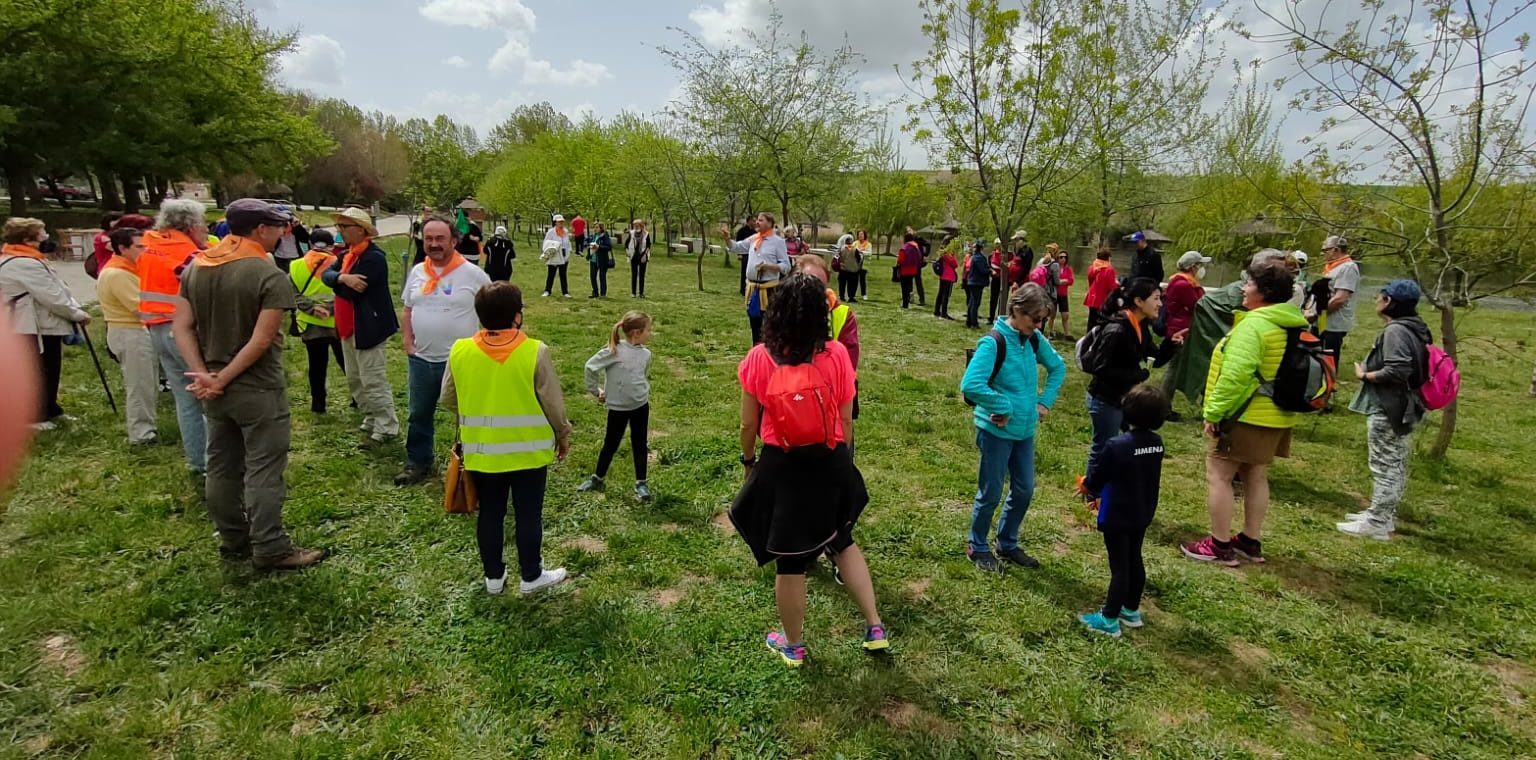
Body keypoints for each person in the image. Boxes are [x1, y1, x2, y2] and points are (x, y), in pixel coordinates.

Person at [728, 272, 887, 667]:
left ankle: (793, 645)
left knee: (790, 559)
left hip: (783, 465)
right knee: (843, 540)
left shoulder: (759, 357)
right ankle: (874, 627)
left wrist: (748, 461)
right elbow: (846, 419)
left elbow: (748, 423)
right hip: (830, 457)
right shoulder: (837, 356)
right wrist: (842, 464)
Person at [171, 198, 326, 571]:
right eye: (277, 227)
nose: (281, 233)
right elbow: (261, 340)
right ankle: (270, 546)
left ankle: (233, 538)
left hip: (213, 386)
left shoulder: (197, 267)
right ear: (260, 229)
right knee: (263, 468)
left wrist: (204, 375)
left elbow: (181, 327)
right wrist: (222, 377)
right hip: (256, 387)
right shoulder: (266, 274)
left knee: (221, 465)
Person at [441, 282, 571, 595]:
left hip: (482, 451)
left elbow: (447, 397)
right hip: (529, 452)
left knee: (490, 513)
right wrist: (562, 433)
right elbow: (553, 403)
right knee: (528, 514)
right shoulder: (535, 351)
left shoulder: (460, 350)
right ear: (517, 316)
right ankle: (531, 576)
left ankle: (493, 578)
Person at [1181, 260, 1306, 566]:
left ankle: (1219, 544)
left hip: (1245, 415)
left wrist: (1213, 413)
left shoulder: (1255, 325)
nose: (1243, 289)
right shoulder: (1292, 323)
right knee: (1256, 474)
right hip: (1276, 415)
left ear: (1263, 292)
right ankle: (1250, 540)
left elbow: (1236, 376)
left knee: (1219, 475)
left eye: (1249, 284)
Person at [960, 283, 1067, 572]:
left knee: (1024, 489)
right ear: (1017, 311)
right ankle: (977, 546)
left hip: (1024, 431)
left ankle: (1006, 543)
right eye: (1035, 319)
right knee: (991, 492)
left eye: (1043, 320)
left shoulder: (1033, 339)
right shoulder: (994, 343)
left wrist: (1045, 402)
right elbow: (970, 385)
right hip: (995, 433)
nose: (1039, 325)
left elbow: (1058, 367)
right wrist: (1003, 406)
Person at [398, 216, 492, 486]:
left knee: (469, 416)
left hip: (462, 360)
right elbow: (408, 309)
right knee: (418, 413)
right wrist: (408, 342)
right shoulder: (418, 271)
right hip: (421, 359)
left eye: (440, 238)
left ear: (454, 241)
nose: (434, 244)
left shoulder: (472, 274)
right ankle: (419, 462)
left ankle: (471, 466)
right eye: (428, 238)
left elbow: (495, 309)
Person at [1337, 280, 1432, 540]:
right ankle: (1382, 515)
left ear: (1389, 301)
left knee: (1384, 465)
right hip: (1403, 405)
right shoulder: (1415, 327)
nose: (1376, 300)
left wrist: (1365, 375)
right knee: (1394, 463)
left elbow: (1397, 369)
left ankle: (1377, 523)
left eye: (1380, 296)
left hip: (1389, 407)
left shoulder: (1396, 331)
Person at [1076, 384, 1167, 638]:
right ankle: (1131, 609)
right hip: (1142, 510)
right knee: (1135, 558)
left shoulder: (1117, 445)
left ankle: (1109, 619)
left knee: (1119, 568)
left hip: (1117, 514)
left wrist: (1086, 486)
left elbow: (1098, 477)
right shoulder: (1157, 444)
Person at [139, 200, 211, 472]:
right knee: (208, 394)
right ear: (190, 225)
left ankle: (197, 460)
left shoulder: (149, 246)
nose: (205, 229)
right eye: (202, 224)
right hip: (183, 330)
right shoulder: (186, 254)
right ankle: (215, 461)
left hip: (155, 328)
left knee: (185, 398)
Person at [1, 217, 91, 430]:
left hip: (38, 322)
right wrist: (77, 314)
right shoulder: (24, 263)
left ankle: (50, 408)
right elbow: (51, 296)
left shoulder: (26, 258)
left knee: (50, 367)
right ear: (27, 239)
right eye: (42, 234)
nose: (47, 238)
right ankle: (34, 416)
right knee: (40, 370)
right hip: (31, 324)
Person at [324, 207, 400, 443]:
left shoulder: (373, 258)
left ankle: (386, 425)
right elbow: (326, 275)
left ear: (361, 230)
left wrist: (338, 281)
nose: (340, 231)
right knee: (354, 377)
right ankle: (370, 416)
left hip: (369, 327)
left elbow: (352, 292)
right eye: (339, 226)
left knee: (372, 378)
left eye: (345, 226)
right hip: (348, 326)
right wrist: (342, 277)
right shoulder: (346, 255)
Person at [1081, 278, 1160, 489]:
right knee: (1103, 447)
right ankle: (1092, 493)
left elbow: (1156, 356)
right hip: (1105, 399)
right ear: (1139, 301)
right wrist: (1137, 376)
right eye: (1156, 298)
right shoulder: (1117, 329)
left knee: (1126, 444)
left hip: (1123, 398)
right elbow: (1101, 369)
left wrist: (1172, 343)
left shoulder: (1140, 326)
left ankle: (1113, 486)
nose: (1160, 304)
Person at [577, 312, 654, 501]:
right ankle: (597, 478)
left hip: (640, 406)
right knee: (610, 443)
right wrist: (596, 391)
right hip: (618, 409)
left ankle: (641, 483)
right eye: (648, 330)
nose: (650, 334)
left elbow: (642, 375)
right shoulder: (614, 351)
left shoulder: (646, 354)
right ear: (636, 333)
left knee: (640, 443)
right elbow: (590, 367)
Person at [96, 227, 157, 444]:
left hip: (133, 331)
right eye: (139, 246)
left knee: (146, 383)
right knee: (139, 385)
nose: (145, 250)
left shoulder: (127, 269)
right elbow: (141, 307)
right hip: (129, 332)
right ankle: (141, 434)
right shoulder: (118, 273)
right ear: (122, 248)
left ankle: (146, 428)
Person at [290, 228, 345, 415]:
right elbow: (344, 291)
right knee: (346, 362)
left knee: (316, 366)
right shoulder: (339, 264)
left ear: (310, 243)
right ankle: (357, 398)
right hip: (336, 322)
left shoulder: (295, 265)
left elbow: (294, 294)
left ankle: (318, 404)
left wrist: (312, 309)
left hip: (309, 324)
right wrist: (329, 309)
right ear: (331, 245)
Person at [727, 212, 791, 345]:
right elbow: (736, 247)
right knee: (754, 321)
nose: (757, 222)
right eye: (757, 220)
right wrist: (727, 239)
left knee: (767, 323)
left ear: (770, 223)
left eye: (761, 220)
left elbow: (786, 266)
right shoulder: (754, 239)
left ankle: (768, 349)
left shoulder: (778, 242)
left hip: (769, 289)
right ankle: (756, 349)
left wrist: (769, 266)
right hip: (753, 288)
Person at [1159, 251, 1210, 413]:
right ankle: (1163, 406)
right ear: (1192, 266)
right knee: (1174, 369)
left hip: (1181, 328)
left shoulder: (1181, 281)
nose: (1201, 269)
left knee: (1179, 368)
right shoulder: (1184, 285)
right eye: (1199, 265)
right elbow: (1198, 304)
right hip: (1181, 331)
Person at [1316, 235, 1359, 367]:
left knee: (1330, 353)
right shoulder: (1332, 267)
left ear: (1336, 249)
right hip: (1324, 318)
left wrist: (1317, 313)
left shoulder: (1348, 267)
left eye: (1325, 250)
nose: (1323, 253)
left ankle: (1330, 377)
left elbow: (1340, 298)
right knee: (1319, 348)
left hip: (1334, 322)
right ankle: (1319, 374)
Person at [1084, 247, 1118, 331]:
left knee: (1091, 320)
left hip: (1092, 297)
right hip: (1102, 299)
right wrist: (1117, 285)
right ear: (1108, 257)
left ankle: (1089, 337)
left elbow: (1090, 281)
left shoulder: (1092, 267)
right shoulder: (1109, 269)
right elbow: (1111, 287)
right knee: (1101, 322)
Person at [540, 214, 573, 298]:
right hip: (554, 254)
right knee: (551, 274)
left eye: (562, 222)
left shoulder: (565, 231)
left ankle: (565, 292)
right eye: (559, 222)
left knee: (563, 274)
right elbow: (546, 243)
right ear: (555, 222)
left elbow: (568, 243)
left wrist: (569, 251)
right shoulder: (551, 232)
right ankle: (547, 290)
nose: (561, 223)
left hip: (564, 254)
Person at [963, 241, 990, 329]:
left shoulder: (974, 257)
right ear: (981, 248)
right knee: (975, 303)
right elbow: (983, 270)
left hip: (973, 282)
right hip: (976, 282)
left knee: (971, 302)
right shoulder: (979, 258)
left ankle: (969, 321)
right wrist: (990, 271)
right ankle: (974, 323)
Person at [272, 206, 305, 272]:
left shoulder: (295, 227)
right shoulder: (275, 227)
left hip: (294, 257)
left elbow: (305, 239)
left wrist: (298, 226)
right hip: (279, 257)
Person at [91, 211, 124, 276]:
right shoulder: (102, 237)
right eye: (114, 220)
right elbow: (116, 249)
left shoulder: (120, 235)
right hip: (108, 268)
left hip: (120, 268)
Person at [586, 222, 613, 298]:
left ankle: (603, 294)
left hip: (602, 260)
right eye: (594, 227)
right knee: (592, 276)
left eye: (597, 227)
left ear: (601, 228)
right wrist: (588, 246)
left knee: (602, 277)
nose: (595, 229)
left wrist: (599, 247)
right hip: (593, 259)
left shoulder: (605, 236)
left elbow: (609, 247)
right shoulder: (593, 236)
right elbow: (586, 242)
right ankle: (595, 292)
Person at [1053, 246, 1075, 339]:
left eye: (1065, 257)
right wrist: (1062, 281)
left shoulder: (1068, 268)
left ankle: (1067, 333)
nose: (1063, 259)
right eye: (1061, 257)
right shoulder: (1054, 267)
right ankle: (1051, 332)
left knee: (1065, 315)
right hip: (1054, 293)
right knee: (1052, 314)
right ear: (1057, 258)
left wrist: (1061, 281)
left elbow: (1071, 280)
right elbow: (1054, 280)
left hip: (1063, 294)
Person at [933, 241, 958, 320]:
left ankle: (937, 311)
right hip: (948, 277)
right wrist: (953, 255)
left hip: (943, 276)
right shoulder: (947, 255)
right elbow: (955, 264)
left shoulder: (942, 254)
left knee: (940, 294)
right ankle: (944, 313)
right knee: (945, 295)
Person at [897, 233, 923, 309]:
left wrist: (898, 264)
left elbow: (900, 259)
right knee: (909, 285)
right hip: (913, 270)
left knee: (904, 287)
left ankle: (905, 304)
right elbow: (919, 257)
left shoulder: (905, 247)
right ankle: (909, 299)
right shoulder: (916, 247)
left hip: (905, 269)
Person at [833, 233, 861, 303]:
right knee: (852, 284)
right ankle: (851, 297)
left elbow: (838, 258)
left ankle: (842, 296)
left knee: (842, 283)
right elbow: (859, 259)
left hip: (843, 269)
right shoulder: (855, 249)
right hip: (853, 269)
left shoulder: (841, 249)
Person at [626, 219, 650, 297]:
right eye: (634, 225)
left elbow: (648, 246)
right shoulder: (631, 233)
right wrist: (628, 252)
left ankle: (641, 293)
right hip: (634, 256)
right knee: (634, 274)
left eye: (637, 225)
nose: (635, 227)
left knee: (642, 275)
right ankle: (633, 293)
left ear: (641, 226)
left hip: (642, 256)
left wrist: (645, 255)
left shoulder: (646, 234)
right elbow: (626, 244)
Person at [906, 227, 928, 306]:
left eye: (909, 230)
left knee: (917, 281)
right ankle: (911, 298)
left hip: (916, 263)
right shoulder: (909, 239)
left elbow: (928, 244)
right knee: (911, 281)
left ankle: (921, 299)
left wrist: (925, 254)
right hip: (912, 262)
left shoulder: (918, 239)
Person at [735, 214, 756, 296]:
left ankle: (751, 289)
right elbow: (738, 242)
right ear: (749, 221)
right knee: (744, 272)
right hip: (744, 254)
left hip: (753, 254)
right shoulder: (742, 231)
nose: (755, 222)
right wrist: (739, 254)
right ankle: (743, 289)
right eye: (753, 221)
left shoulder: (755, 232)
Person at [853, 229, 872, 299]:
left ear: (864, 235)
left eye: (862, 234)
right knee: (854, 279)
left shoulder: (868, 244)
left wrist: (862, 252)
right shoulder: (855, 243)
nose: (860, 236)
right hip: (856, 264)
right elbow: (852, 251)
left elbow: (869, 253)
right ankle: (853, 294)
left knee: (862, 280)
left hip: (864, 264)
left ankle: (864, 294)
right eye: (859, 234)